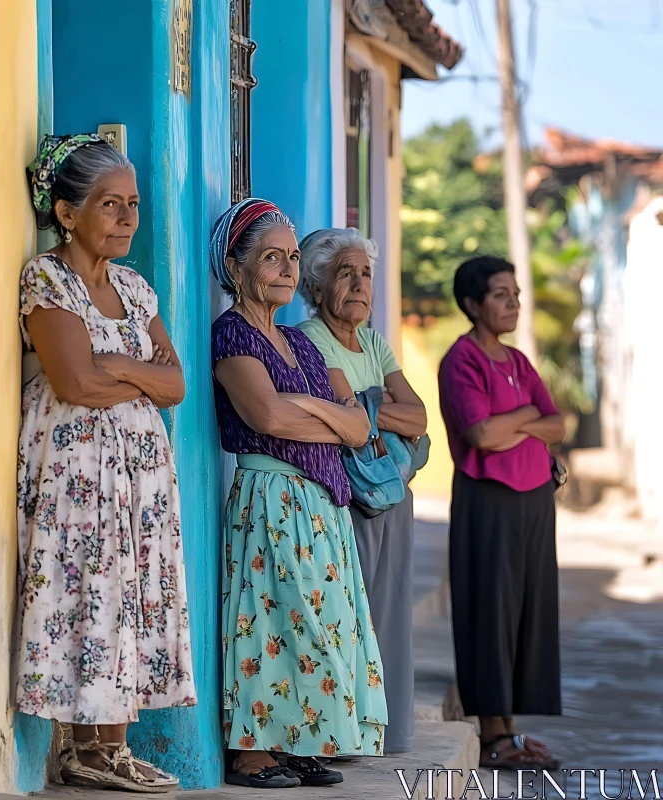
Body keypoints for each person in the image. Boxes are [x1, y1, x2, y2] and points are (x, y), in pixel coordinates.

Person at [14, 134, 195, 792]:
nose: (126, 218)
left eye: (133, 204)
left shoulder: (135, 288)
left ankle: (110, 747)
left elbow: (176, 387)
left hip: (139, 474)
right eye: (110, 204)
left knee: (130, 593)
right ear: (66, 213)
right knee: (87, 589)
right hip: (78, 468)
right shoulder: (47, 279)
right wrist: (135, 371)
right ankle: (83, 748)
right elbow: (75, 384)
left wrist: (115, 366)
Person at [210, 199, 388, 789]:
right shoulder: (232, 333)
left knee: (321, 625)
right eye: (271, 259)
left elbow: (361, 426)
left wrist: (306, 409)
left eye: (291, 258)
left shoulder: (301, 343)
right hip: (272, 498)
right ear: (238, 268)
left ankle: (299, 739)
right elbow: (265, 417)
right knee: (273, 622)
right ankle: (255, 752)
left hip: (320, 505)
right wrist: (322, 413)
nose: (286, 269)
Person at [297, 228, 427, 755]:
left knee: (390, 610)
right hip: (345, 495)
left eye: (365, 273)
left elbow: (416, 416)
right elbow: (347, 414)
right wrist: (374, 411)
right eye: (344, 273)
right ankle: (346, 731)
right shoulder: (309, 338)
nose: (357, 283)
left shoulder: (373, 342)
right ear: (317, 283)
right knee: (346, 613)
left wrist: (370, 408)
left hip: (392, 494)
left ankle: (386, 732)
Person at [438, 256, 565, 770]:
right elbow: (481, 436)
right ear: (472, 304)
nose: (513, 303)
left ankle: (511, 730)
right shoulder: (461, 361)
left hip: (535, 499)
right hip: (488, 500)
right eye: (500, 294)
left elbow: (559, 424)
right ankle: (491, 736)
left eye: (515, 293)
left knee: (529, 611)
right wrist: (529, 417)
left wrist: (522, 423)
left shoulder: (518, 362)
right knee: (490, 611)